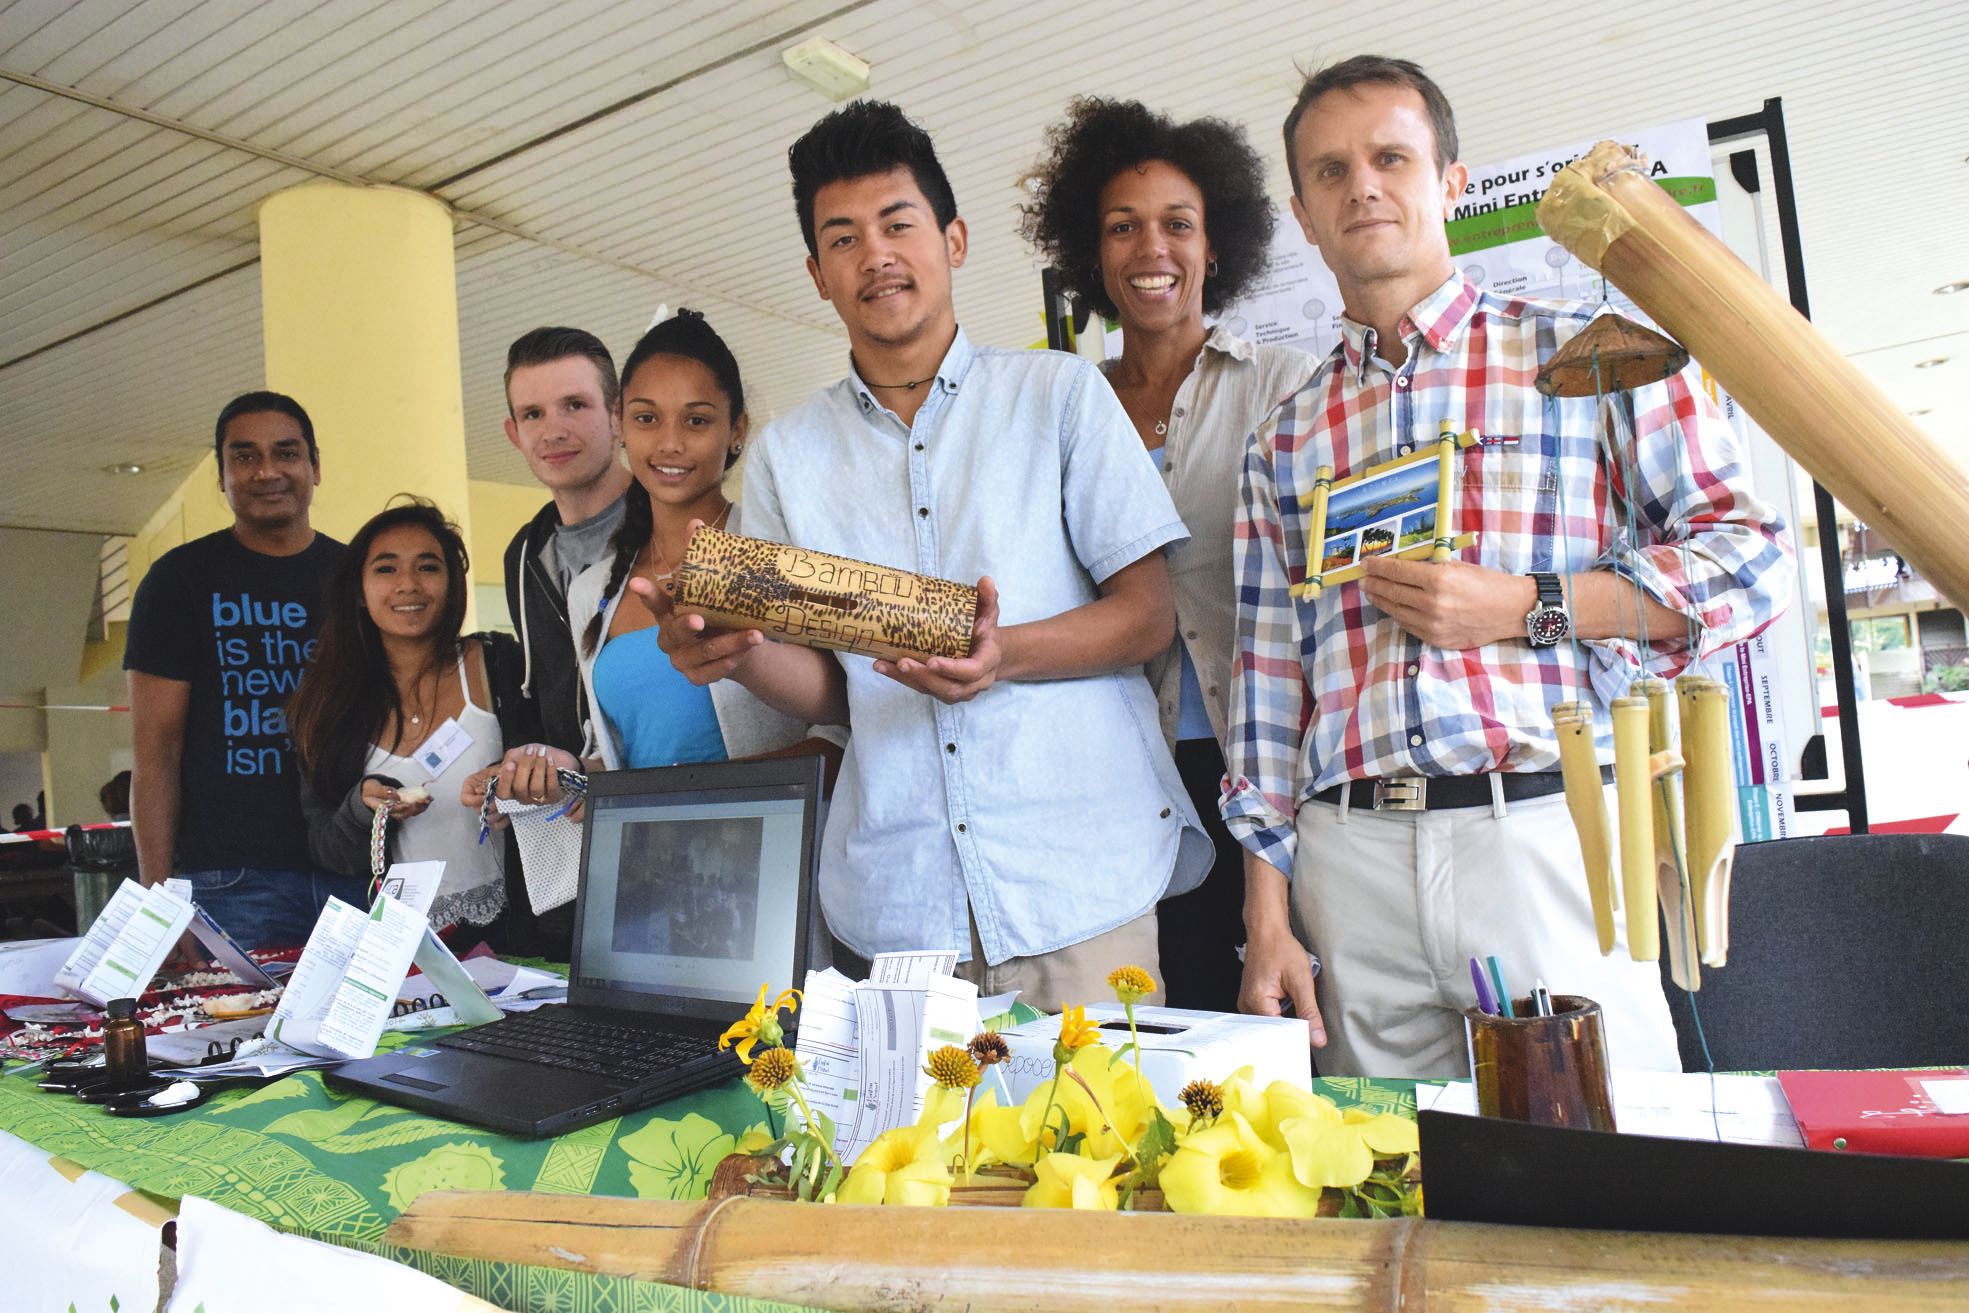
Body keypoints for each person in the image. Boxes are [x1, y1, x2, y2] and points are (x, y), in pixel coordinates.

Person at [1227, 56, 1794, 1076]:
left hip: (1541, 823)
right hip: (1348, 858)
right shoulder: (1283, 438)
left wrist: (1528, 604)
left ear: (1449, 179)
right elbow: (1269, 690)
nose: (1361, 185)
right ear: (1303, 217)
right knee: (1399, 1183)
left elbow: (1750, 561)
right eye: (1328, 171)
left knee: (1607, 1168)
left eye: (1390, 157)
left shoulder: (1590, 355)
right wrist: (1267, 914)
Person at [640, 100, 1210, 1006]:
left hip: (1077, 888)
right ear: (817, 273)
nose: (875, 254)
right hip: (900, 913)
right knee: (912, 1153)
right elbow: (839, 693)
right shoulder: (789, 454)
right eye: (843, 238)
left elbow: (1145, 617)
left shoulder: (1055, 394)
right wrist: (738, 654)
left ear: (953, 238)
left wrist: (999, 654)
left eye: (897, 224)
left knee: (1103, 1148)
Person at [1021, 98, 1314, 1012]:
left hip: (1273, 765)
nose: (1151, 248)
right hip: (1125, 781)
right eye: (1122, 227)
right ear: (1089, 252)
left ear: (1215, 244)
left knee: (1294, 1018)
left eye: (1176, 224)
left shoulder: (1286, 384)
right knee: (1173, 1019)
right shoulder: (1059, 410)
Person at [487, 313, 841, 791]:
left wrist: (701, 790)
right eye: (647, 418)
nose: (670, 443)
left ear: (737, 429)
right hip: (643, 856)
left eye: (696, 420)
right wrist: (561, 770)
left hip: (772, 849)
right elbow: (617, 758)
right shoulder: (592, 589)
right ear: (620, 424)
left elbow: (845, 727)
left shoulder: (778, 554)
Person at [125, 391, 350, 951]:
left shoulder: (357, 577)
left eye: (287, 453)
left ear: (315, 467)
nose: (267, 471)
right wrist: (158, 899)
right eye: (244, 457)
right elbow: (156, 751)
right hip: (232, 882)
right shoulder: (178, 580)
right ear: (221, 476)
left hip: (356, 870)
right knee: (237, 1039)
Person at [288, 500, 538, 940]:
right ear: (359, 592)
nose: (408, 585)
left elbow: (559, 776)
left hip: (517, 937)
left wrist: (513, 786)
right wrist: (360, 810)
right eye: (386, 569)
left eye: (428, 567)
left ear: (451, 583)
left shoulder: (499, 664)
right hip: (397, 953)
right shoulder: (328, 699)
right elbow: (324, 845)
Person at [501, 327, 633, 755]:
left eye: (574, 405)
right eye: (532, 414)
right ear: (513, 433)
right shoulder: (522, 556)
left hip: (679, 796)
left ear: (619, 415)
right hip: (579, 812)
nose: (552, 431)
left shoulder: (679, 527)